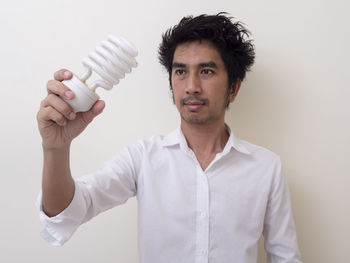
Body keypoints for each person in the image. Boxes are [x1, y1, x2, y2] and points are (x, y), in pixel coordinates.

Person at [36, 13, 302, 263]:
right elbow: (65, 212)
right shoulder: (142, 158)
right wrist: (56, 148)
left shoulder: (266, 168)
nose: (191, 86)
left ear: (233, 87)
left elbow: (285, 257)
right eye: (181, 71)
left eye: (207, 71)